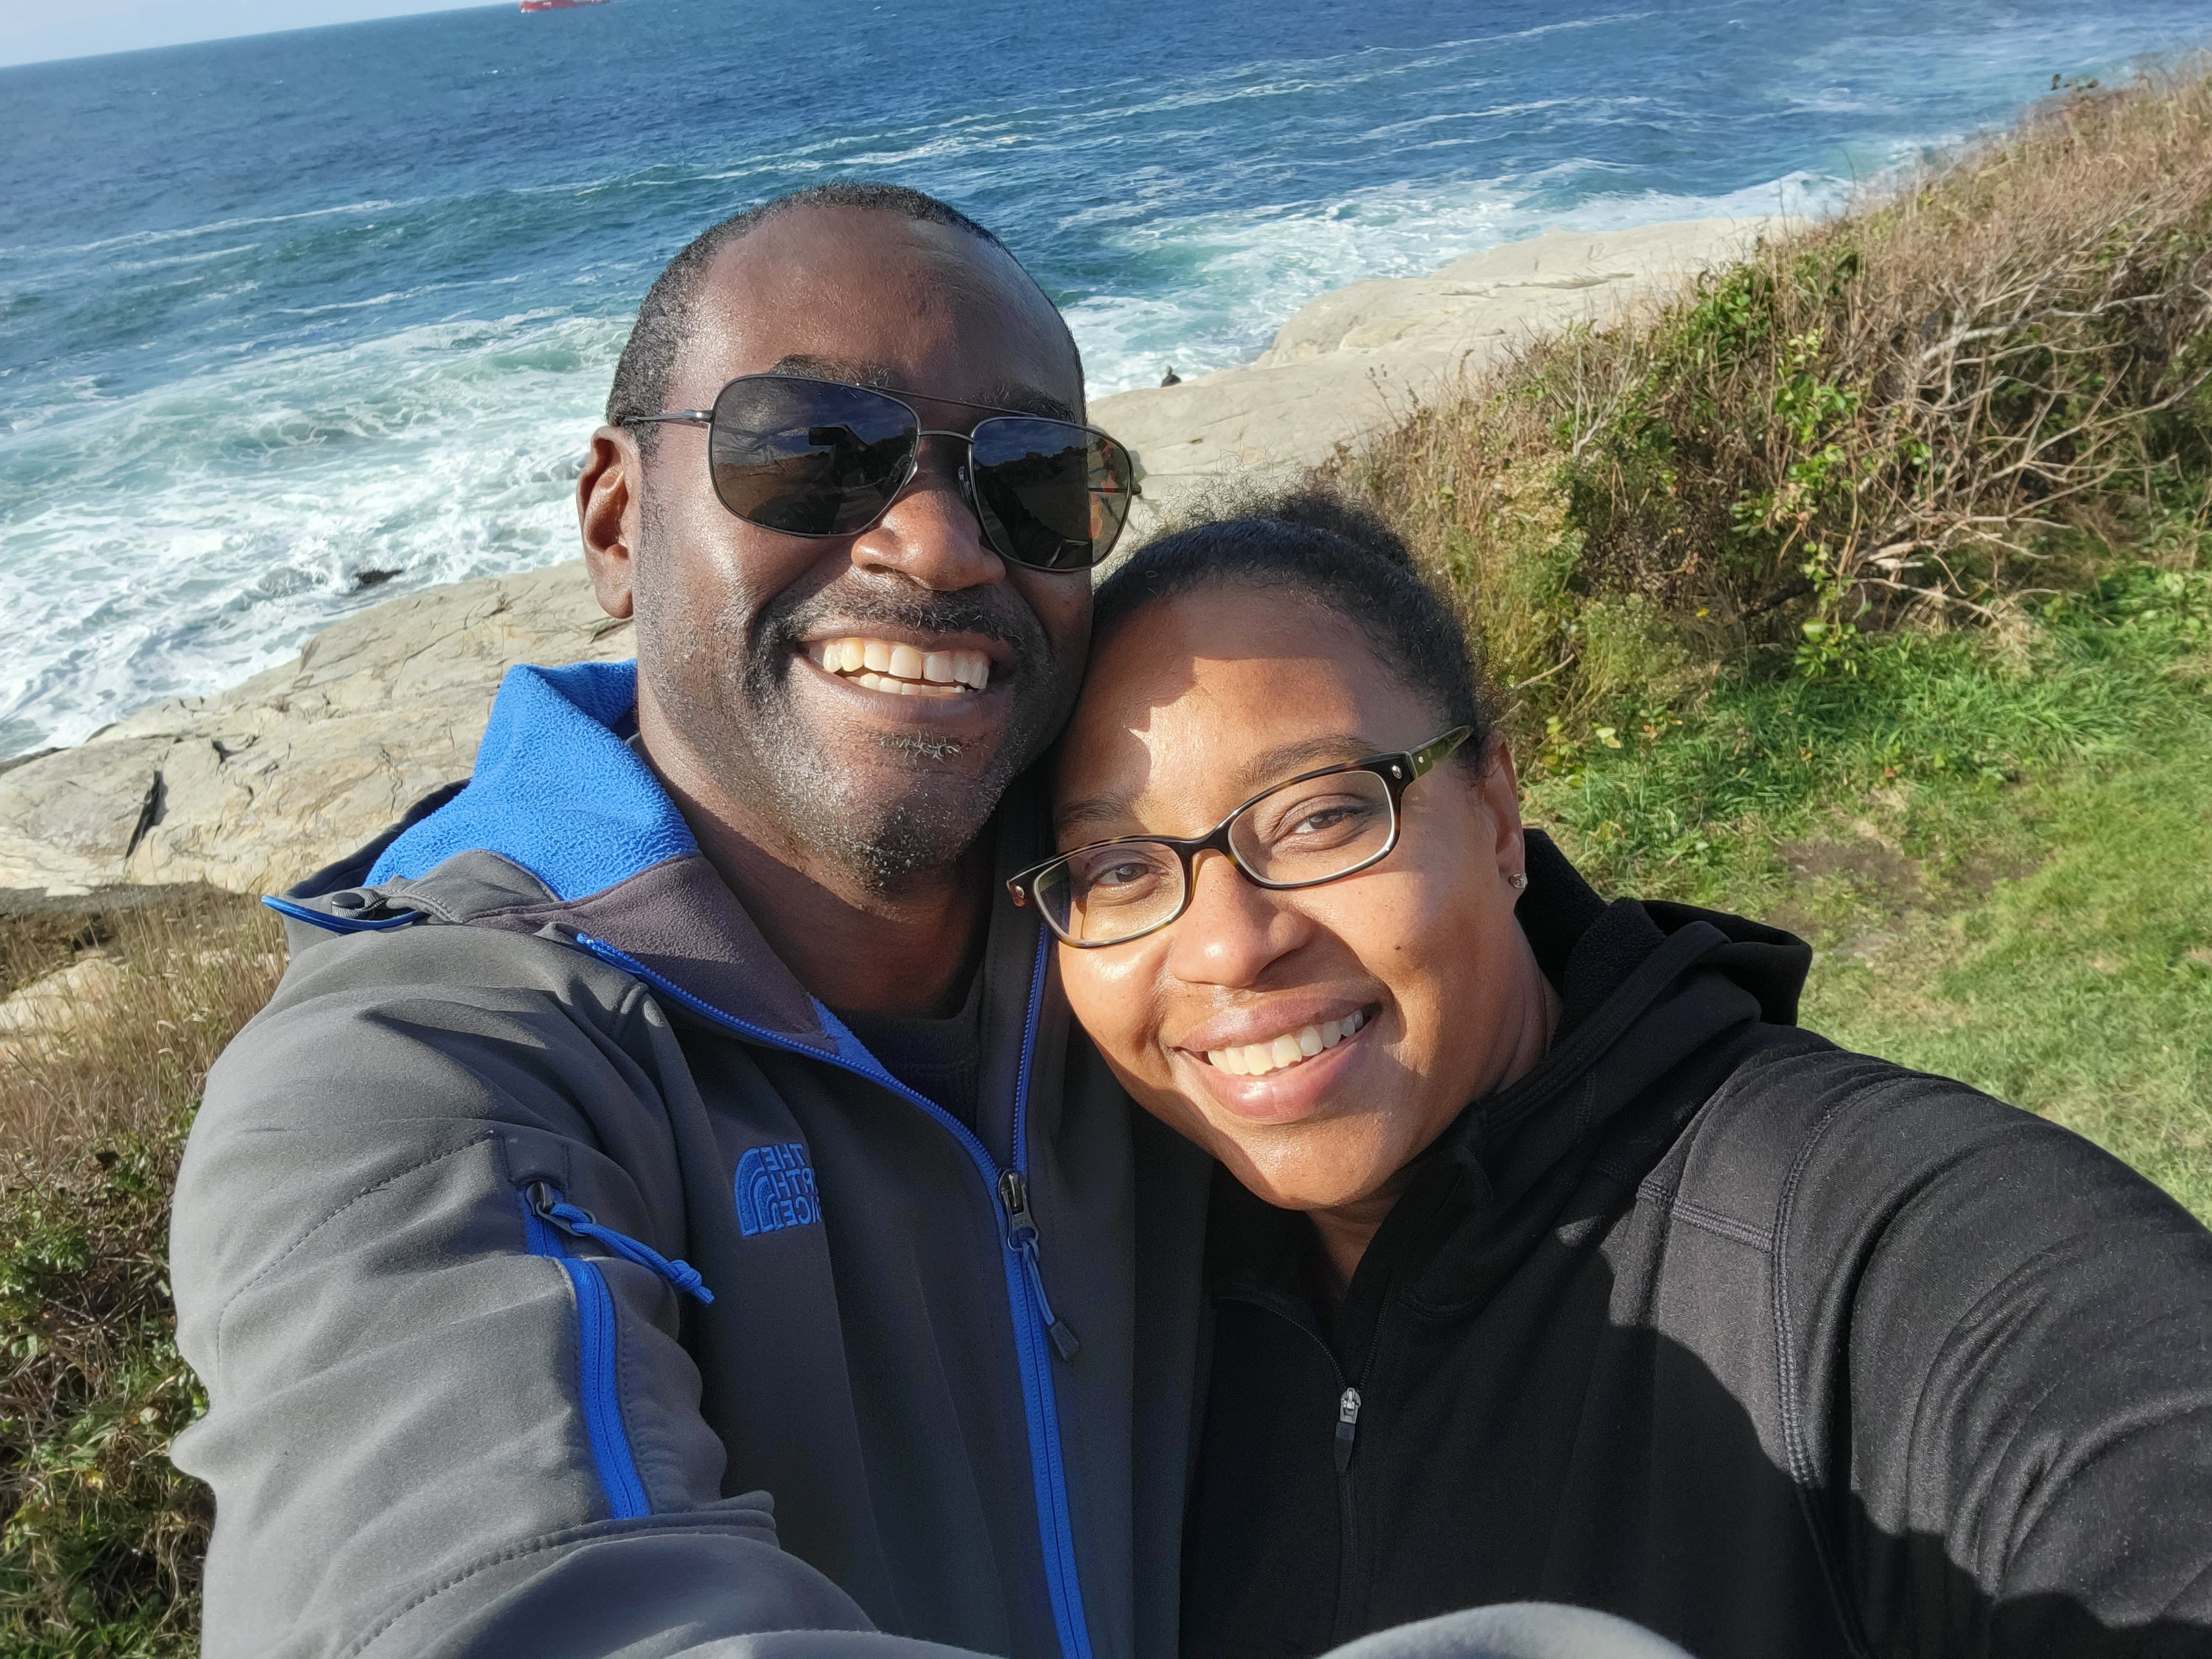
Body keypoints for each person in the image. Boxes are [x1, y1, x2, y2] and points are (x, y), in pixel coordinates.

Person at [168, 183, 1198, 1659]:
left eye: (1031, 476)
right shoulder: (412, 1070)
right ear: (612, 519)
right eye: (816, 450)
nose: (943, 545)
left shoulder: (1178, 920)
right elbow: (501, 1600)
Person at [1025, 491, 2212, 1659]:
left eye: (1323, 815)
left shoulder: (1882, 1248)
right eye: (1119, 869)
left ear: (1497, 812)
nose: (1233, 943)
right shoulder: (1118, 1313)